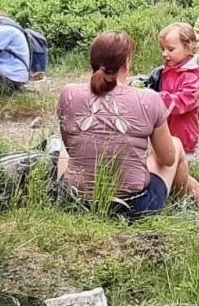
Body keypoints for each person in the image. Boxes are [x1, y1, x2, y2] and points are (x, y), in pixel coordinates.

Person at [57, 31, 188, 219]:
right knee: (175, 144)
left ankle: (68, 195)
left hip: (76, 203)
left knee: (63, 149)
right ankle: (182, 205)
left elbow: (70, 147)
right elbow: (167, 159)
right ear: (127, 62)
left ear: (92, 61)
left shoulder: (68, 93)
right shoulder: (148, 98)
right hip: (133, 207)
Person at [154, 23, 199, 210]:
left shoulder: (192, 76)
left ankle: (197, 200)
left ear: (189, 48)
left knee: (181, 176)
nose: (165, 54)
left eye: (170, 49)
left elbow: (184, 101)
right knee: (167, 168)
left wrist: (158, 99)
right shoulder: (168, 70)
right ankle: (177, 201)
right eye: (162, 49)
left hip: (183, 135)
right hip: (166, 132)